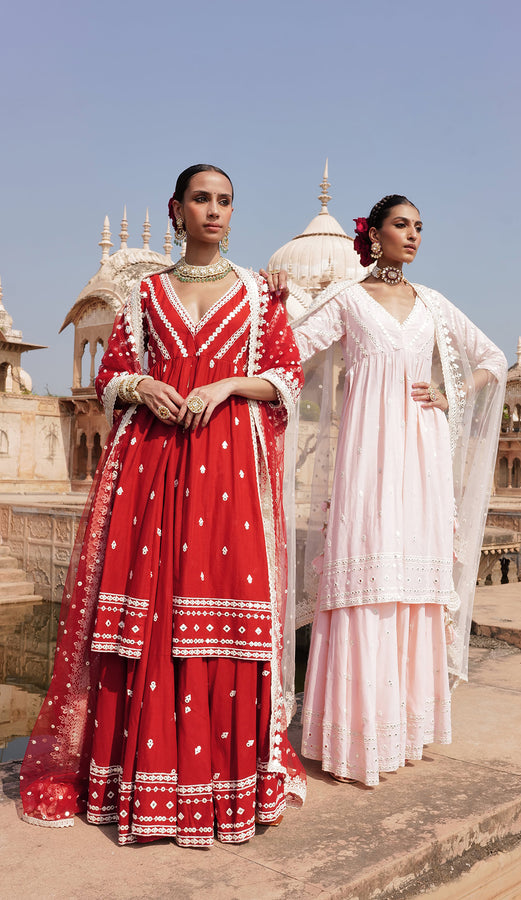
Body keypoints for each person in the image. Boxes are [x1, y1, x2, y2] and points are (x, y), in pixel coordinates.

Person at [20, 164, 306, 845]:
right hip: (154, 465)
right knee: (151, 612)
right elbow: (112, 373)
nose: (214, 210)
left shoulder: (259, 294)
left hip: (229, 465)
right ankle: (141, 783)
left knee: (222, 612)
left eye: (225, 201)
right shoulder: (144, 294)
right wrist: (143, 385)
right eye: (202, 199)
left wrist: (230, 384)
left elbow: (286, 378)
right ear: (176, 210)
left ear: (234, 213)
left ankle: (217, 792)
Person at [291, 194, 507, 785]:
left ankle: (406, 729)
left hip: (423, 457)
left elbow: (493, 357)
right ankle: (358, 737)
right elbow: (288, 351)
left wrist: (450, 394)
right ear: (374, 234)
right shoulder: (348, 301)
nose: (412, 236)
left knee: (413, 580)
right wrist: (269, 303)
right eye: (401, 226)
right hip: (368, 457)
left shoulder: (433, 304)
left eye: (418, 227)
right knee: (368, 577)